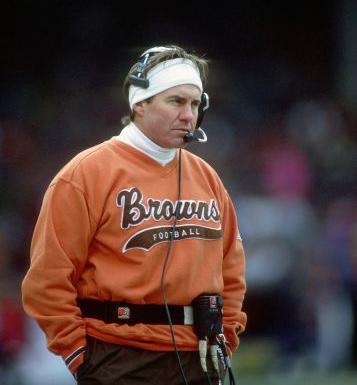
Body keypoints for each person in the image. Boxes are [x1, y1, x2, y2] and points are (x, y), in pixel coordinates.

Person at [22, 44, 247, 385]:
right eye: (176, 101)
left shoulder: (207, 177)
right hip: (117, 357)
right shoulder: (84, 174)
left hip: (201, 356)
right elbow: (47, 279)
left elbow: (231, 266)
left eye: (196, 103)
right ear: (139, 104)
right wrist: (79, 356)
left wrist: (226, 336)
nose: (189, 115)